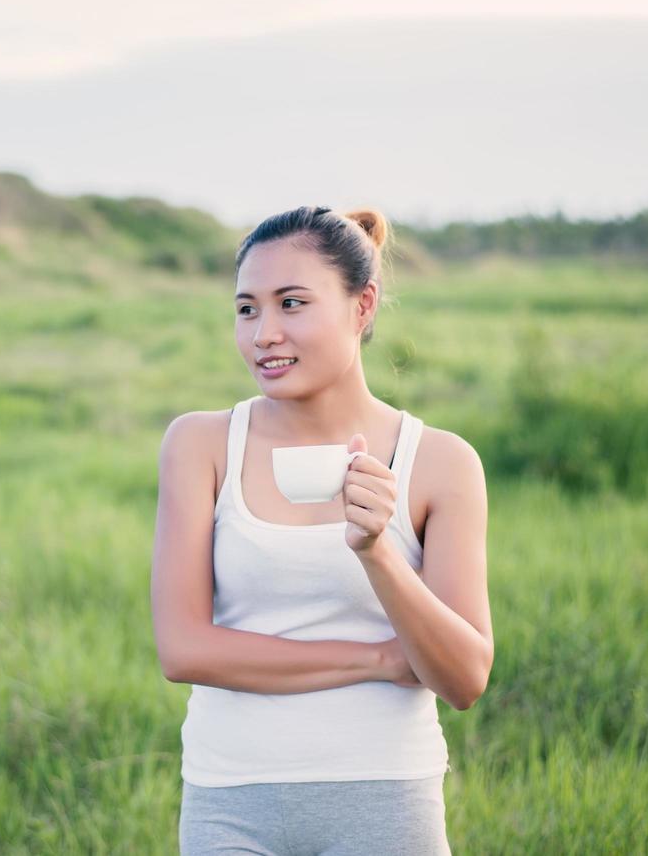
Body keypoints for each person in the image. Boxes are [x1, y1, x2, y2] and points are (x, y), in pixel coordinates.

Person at [151, 205, 493, 855]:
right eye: (246, 309)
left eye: (292, 304)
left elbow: (463, 678)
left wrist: (378, 554)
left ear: (361, 307)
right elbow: (183, 649)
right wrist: (376, 659)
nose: (263, 334)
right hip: (230, 797)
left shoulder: (442, 462)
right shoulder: (200, 444)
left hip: (384, 794)